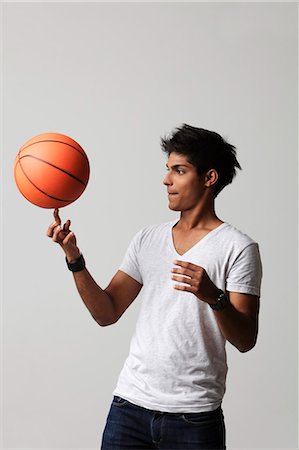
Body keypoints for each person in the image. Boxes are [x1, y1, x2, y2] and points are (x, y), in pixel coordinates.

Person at [47, 124, 262, 450]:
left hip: (194, 416)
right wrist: (74, 259)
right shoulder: (148, 239)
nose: (166, 180)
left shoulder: (238, 247)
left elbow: (245, 340)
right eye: (167, 170)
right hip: (129, 407)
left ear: (209, 178)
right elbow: (106, 313)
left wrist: (213, 296)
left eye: (179, 170)